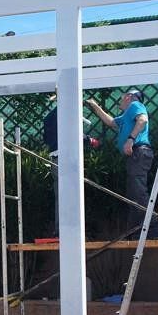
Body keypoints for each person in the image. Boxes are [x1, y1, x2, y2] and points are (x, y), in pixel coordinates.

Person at [87, 89, 158, 235]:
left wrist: (130, 140)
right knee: (134, 193)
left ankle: (152, 230)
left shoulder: (135, 105)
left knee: (138, 192)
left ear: (129, 97)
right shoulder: (127, 116)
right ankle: (138, 231)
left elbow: (143, 120)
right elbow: (111, 122)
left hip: (138, 152)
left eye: (122, 96)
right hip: (136, 155)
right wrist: (95, 106)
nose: (120, 99)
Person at [42, 96, 100, 235]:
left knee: (60, 195)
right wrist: (90, 140)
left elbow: (47, 138)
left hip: (55, 158)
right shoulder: (66, 113)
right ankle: (71, 230)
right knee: (72, 194)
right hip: (66, 159)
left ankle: (60, 230)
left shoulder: (50, 116)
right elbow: (74, 132)